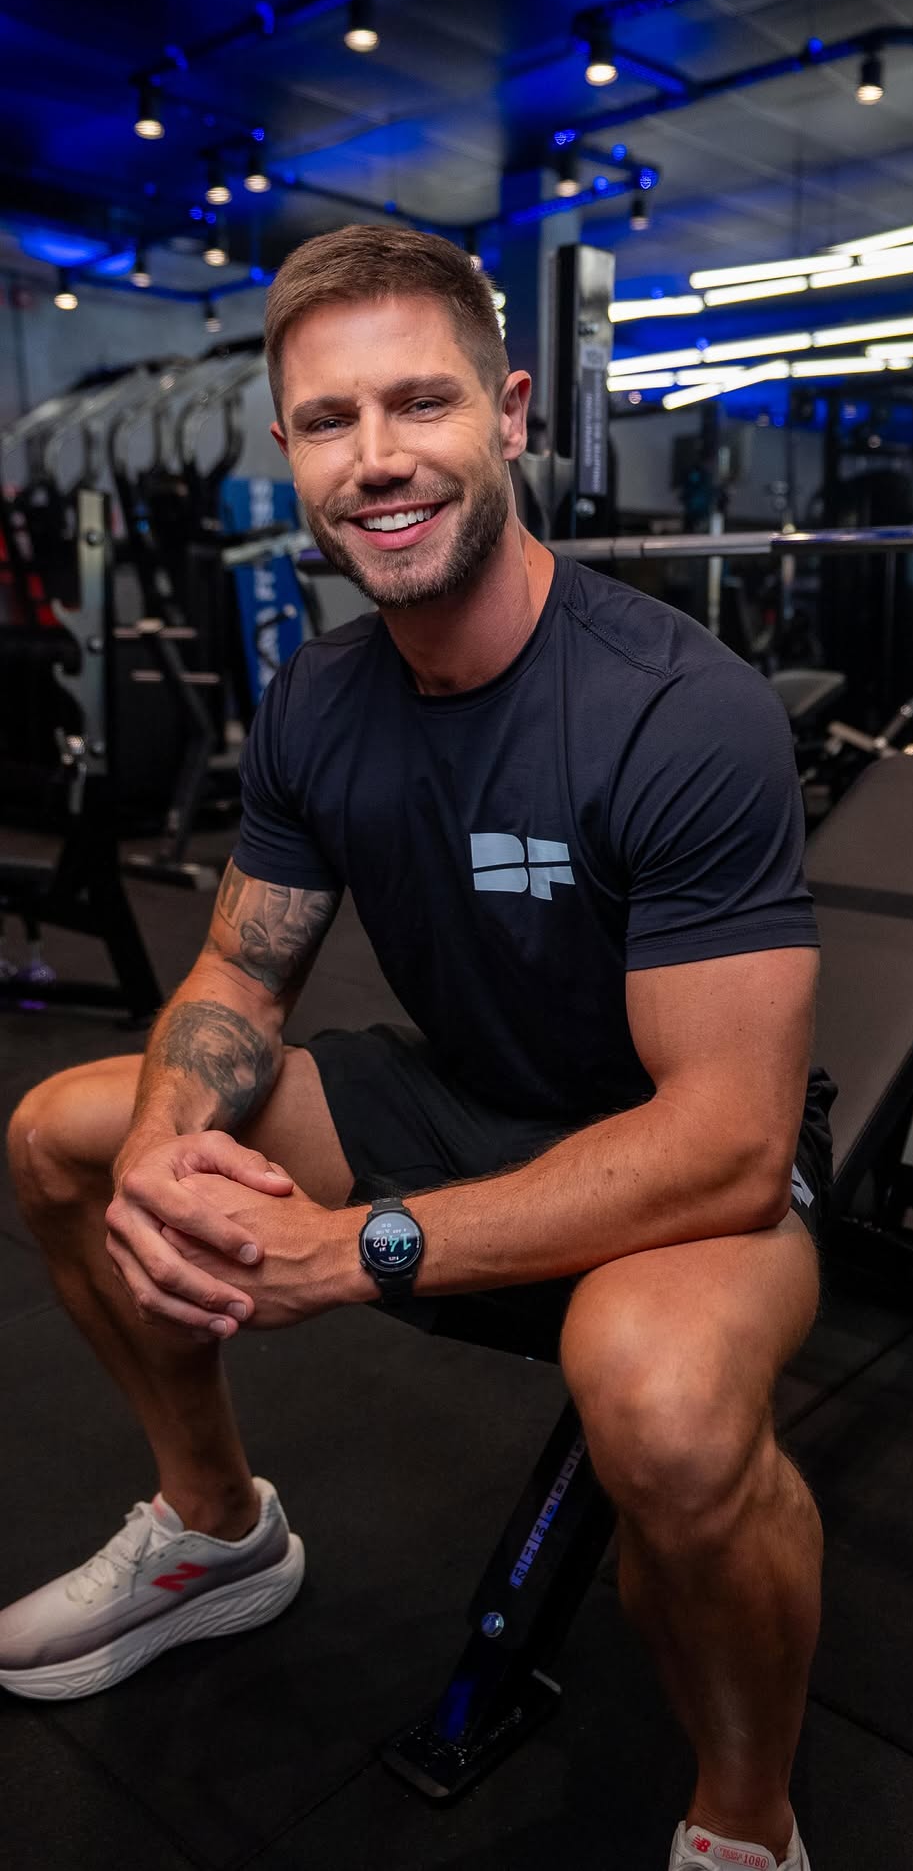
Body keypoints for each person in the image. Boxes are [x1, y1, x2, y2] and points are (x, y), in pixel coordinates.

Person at [2, 226, 835, 1871]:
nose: (377, 459)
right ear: (287, 449)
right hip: (459, 1104)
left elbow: (729, 1139)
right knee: (67, 1134)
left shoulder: (678, 709)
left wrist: (356, 1248)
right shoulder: (317, 700)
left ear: (510, 412)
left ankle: (744, 1821)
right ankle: (219, 1528)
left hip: (683, 1164)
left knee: (656, 1405)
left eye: (419, 404)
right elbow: (240, 982)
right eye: (329, 420)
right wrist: (176, 1148)